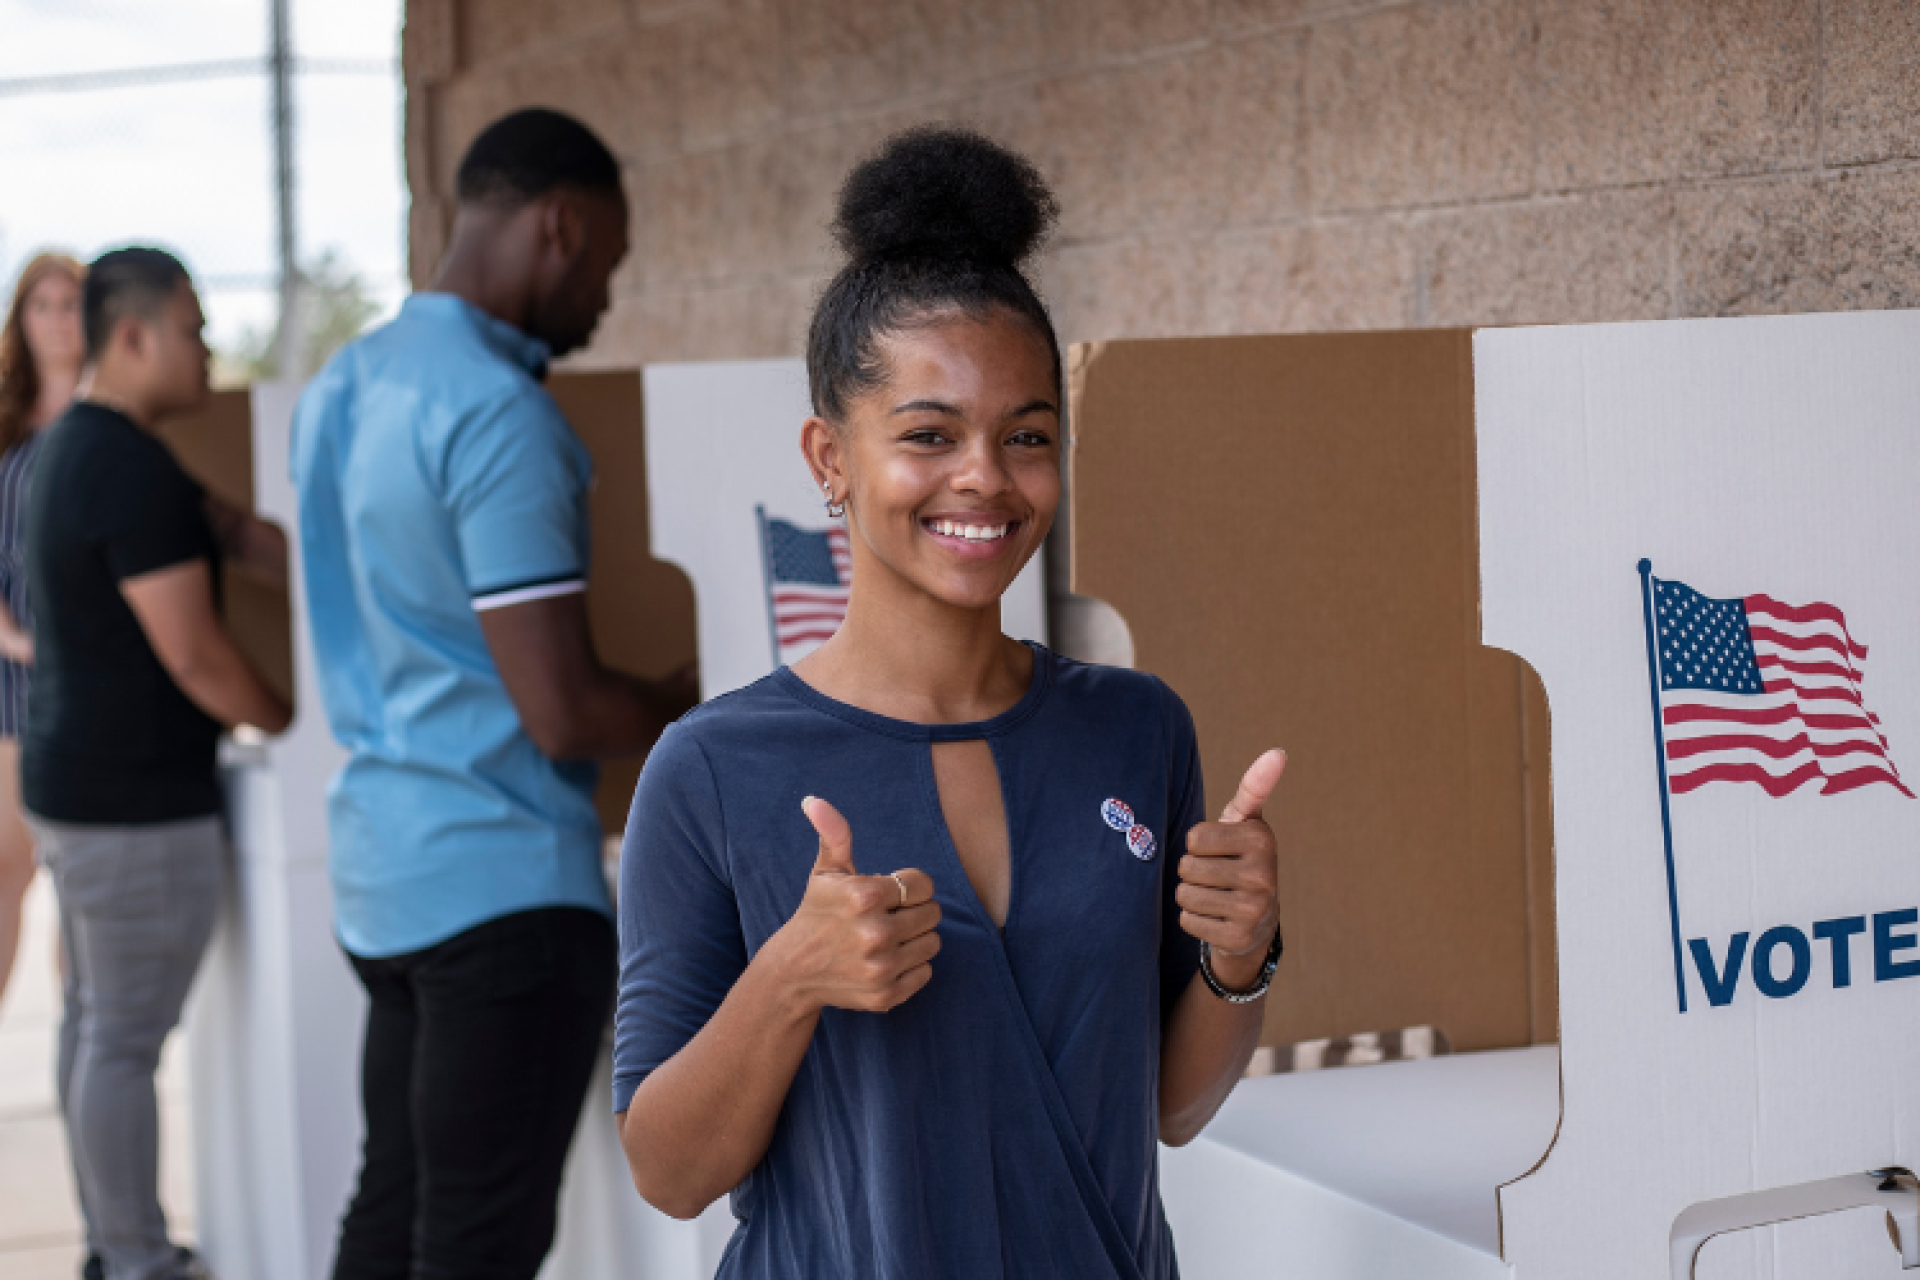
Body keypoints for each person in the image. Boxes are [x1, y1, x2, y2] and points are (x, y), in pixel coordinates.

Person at [613, 127, 1287, 1278]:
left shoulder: (1138, 727)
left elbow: (1170, 1108)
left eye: (1026, 435)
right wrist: (789, 979)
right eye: (929, 434)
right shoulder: (713, 767)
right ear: (830, 457)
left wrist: (1242, 954)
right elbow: (671, 1173)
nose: (985, 474)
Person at [290, 107, 695, 1280]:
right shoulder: (501, 416)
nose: (606, 301)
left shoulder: (342, 385)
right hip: (504, 892)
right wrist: (691, 701)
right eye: (608, 265)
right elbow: (562, 709)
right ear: (559, 224)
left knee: (396, 1204)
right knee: (477, 1242)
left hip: (383, 874)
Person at [24, 246, 293, 1280]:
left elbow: (226, 531)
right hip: (131, 805)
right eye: (193, 327)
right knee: (122, 1037)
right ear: (131, 336)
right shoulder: (121, 463)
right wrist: (293, 720)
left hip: (80, 787)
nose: (209, 348)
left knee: (97, 1024)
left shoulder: (86, 446)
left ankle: (113, 1238)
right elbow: (195, 654)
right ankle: (135, 1258)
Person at [0, 251, 84, 1009]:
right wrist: (19, 640)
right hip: (17, 683)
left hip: (93, 684)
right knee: (7, 871)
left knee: (81, 892)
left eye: (71, 304)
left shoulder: (107, 420)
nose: (58, 321)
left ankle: (78, 1066)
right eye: (43, 305)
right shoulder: (3, 427)